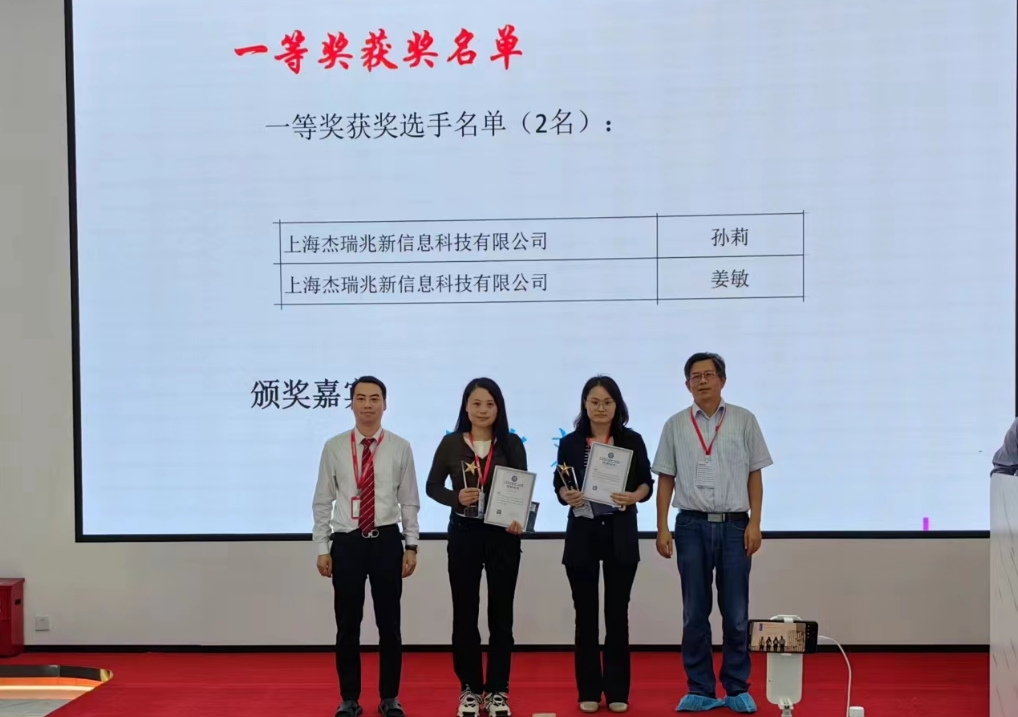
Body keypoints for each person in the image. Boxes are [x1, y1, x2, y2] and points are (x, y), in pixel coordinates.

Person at [652, 353, 772, 714]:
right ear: (686, 384)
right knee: (694, 612)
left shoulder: (744, 420)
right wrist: (662, 527)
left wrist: (755, 522)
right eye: (695, 376)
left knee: (735, 613)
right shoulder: (675, 425)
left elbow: (754, 475)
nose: (702, 381)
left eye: (708, 374)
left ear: (722, 380)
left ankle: (736, 688)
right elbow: (666, 479)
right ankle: (700, 688)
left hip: (735, 525)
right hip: (690, 526)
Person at [312, 376, 421, 717]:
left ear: (385, 404)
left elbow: (409, 500)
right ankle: (349, 698)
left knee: (389, 624)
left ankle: (389, 697)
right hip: (347, 543)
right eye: (361, 398)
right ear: (352, 404)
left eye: (375, 398)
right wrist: (322, 547)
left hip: (386, 541)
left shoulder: (400, 447)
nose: (368, 405)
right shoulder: (334, 447)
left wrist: (412, 545)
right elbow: (322, 501)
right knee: (348, 625)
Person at [426, 378, 527, 717]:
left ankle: (498, 689)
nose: (483, 410)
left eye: (490, 404)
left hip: (503, 536)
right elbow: (432, 486)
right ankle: (469, 688)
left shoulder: (511, 443)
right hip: (464, 534)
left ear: (499, 408)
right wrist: (455, 497)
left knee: (501, 615)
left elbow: (521, 488)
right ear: (466, 407)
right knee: (465, 614)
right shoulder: (451, 443)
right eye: (477, 404)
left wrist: (517, 518)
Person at [553, 376, 653, 714]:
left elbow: (646, 483)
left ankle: (617, 690)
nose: (600, 408)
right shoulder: (570, 443)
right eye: (594, 401)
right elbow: (559, 483)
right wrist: (566, 494)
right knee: (585, 615)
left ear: (616, 405)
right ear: (585, 404)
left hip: (619, 532)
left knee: (617, 614)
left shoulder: (631, 440)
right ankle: (589, 690)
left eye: (607, 402)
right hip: (582, 533)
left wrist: (634, 495)